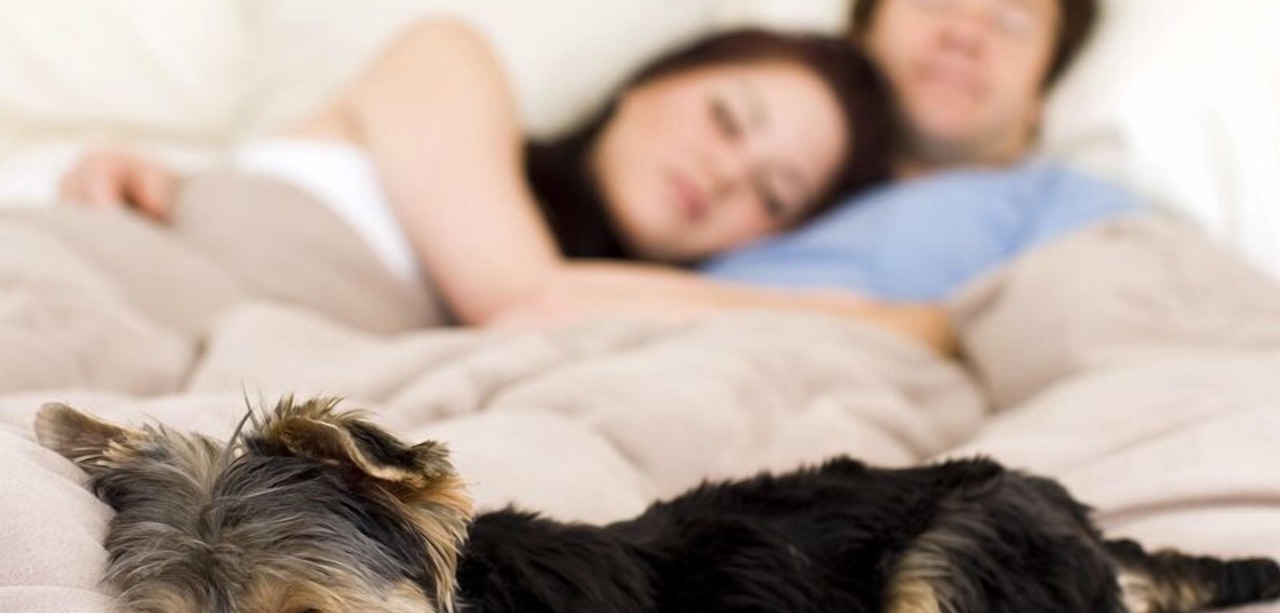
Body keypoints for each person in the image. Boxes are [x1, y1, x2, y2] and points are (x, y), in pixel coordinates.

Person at [59, 24, 956, 354]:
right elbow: (524, 298)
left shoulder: (602, 318)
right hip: (97, 274)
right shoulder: (452, 60)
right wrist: (880, 319)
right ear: (650, 83)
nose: (724, 174)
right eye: (728, 118)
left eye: (772, 193)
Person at [703, 0, 1149, 302]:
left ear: (1042, 93)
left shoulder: (1081, 212)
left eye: (1012, 22)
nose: (964, 34)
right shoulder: (757, 165)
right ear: (861, 28)